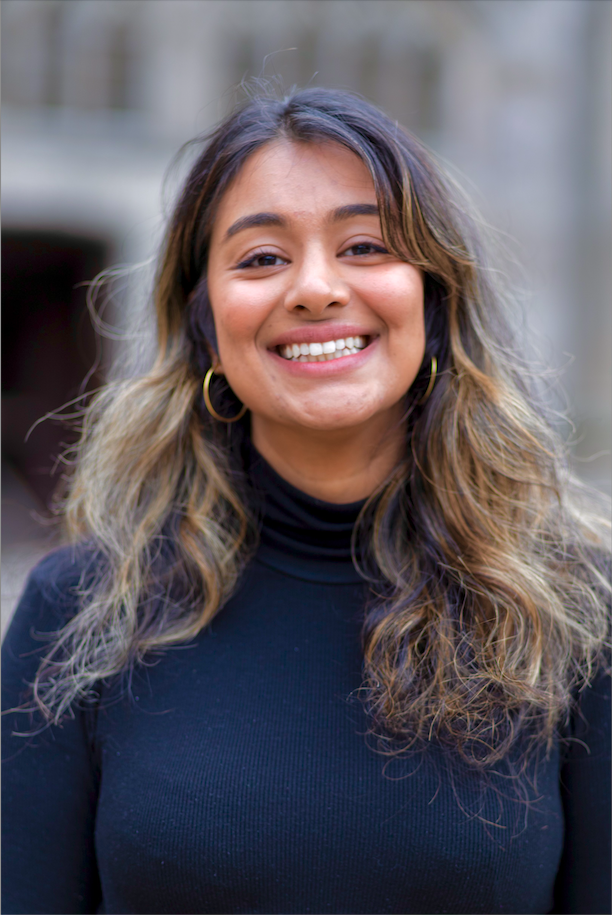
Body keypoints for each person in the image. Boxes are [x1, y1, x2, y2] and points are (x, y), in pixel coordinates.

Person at [2, 87, 610, 915]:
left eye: (364, 245)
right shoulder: (77, 612)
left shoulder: (574, 615)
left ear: (433, 302)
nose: (315, 288)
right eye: (260, 258)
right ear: (206, 325)